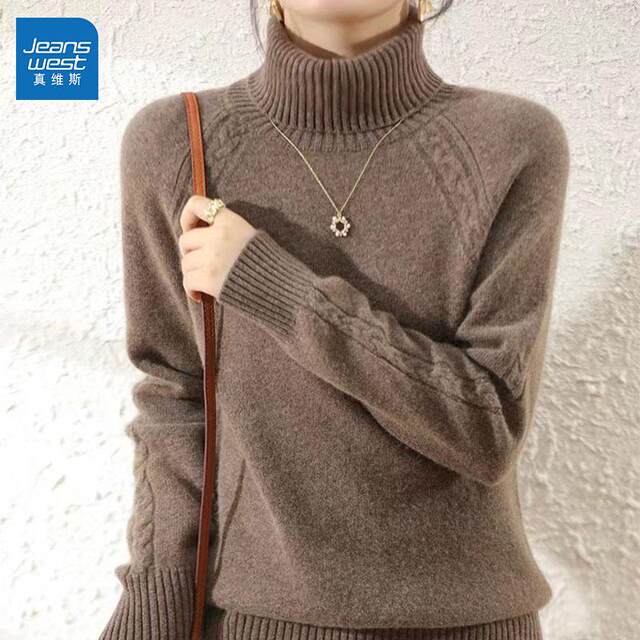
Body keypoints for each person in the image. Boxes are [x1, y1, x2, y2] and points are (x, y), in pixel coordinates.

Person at [97, 1, 571, 639]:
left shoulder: (510, 143)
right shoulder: (178, 143)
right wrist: (151, 617)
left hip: (471, 624)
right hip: (258, 624)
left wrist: (273, 286)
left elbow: (489, 426)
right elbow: (177, 404)